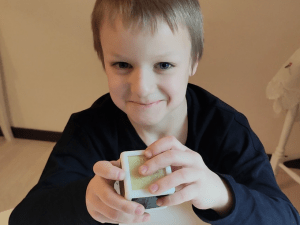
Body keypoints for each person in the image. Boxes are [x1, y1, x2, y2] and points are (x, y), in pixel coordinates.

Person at [9, 0, 300, 224]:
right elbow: (24, 217)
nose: (142, 88)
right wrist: (85, 199)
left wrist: (222, 193)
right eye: (122, 65)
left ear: (193, 62)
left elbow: (286, 218)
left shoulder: (226, 128)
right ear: (103, 62)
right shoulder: (88, 130)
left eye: (163, 65)